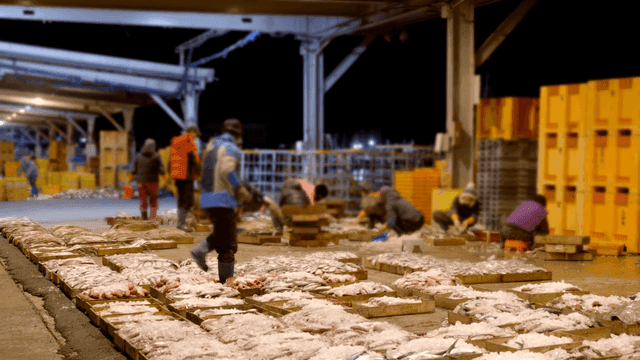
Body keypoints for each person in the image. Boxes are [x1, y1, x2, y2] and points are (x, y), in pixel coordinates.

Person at [190, 119, 250, 283]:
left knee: (223, 233)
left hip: (208, 198)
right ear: (237, 135)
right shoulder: (229, 147)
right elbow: (226, 169)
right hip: (222, 198)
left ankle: (201, 250)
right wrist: (239, 189)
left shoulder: (211, 147)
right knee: (228, 245)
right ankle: (226, 283)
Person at [359, 186, 425, 241]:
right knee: (394, 217)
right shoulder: (398, 199)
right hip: (421, 219)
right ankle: (405, 234)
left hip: (413, 223)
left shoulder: (390, 204)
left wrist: (382, 228)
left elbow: (391, 222)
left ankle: (403, 236)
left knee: (391, 219)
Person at [170, 125, 202, 232]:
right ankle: (181, 224)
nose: (196, 138)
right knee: (188, 201)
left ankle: (181, 222)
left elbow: (171, 161)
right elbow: (194, 160)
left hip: (177, 176)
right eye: (196, 135)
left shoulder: (177, 142)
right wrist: (200, 175)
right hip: (186, 176)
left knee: (181, 199)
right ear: (192, 132)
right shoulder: (188, 141)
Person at [129, 139, 168, 225]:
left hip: (141, 182)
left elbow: (133, 170)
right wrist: (167, 180)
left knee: (143, 201)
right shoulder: (156, 156)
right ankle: (152, 220)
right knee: (153, 201)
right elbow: (161, 170)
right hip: (152, 182)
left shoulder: (138, 156)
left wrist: (128, 180)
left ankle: (144, 221)